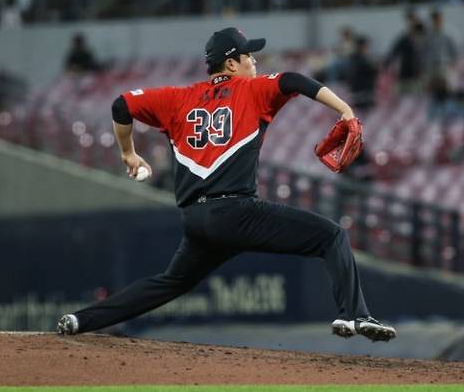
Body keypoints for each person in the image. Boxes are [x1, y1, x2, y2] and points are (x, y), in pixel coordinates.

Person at [56, 27, 396, 342]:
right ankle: (356, 315)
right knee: (331, 235)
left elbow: (121, 105)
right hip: (236, 212)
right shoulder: (253, 89)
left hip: (195, 220)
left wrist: (129, 154)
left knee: (170, 282)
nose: (254, 61)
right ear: (231, 63)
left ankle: (81, 321)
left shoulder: (177, 98)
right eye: (248, 56)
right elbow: (293, 79)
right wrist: (346, 110)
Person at [346, 35, 378, 111]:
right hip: (362, 92)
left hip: (357, 91)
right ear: (361, 46)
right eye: (366, 46)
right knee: (363, 114)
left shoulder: (353, 59)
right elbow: (371, 70)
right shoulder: (361, 60)